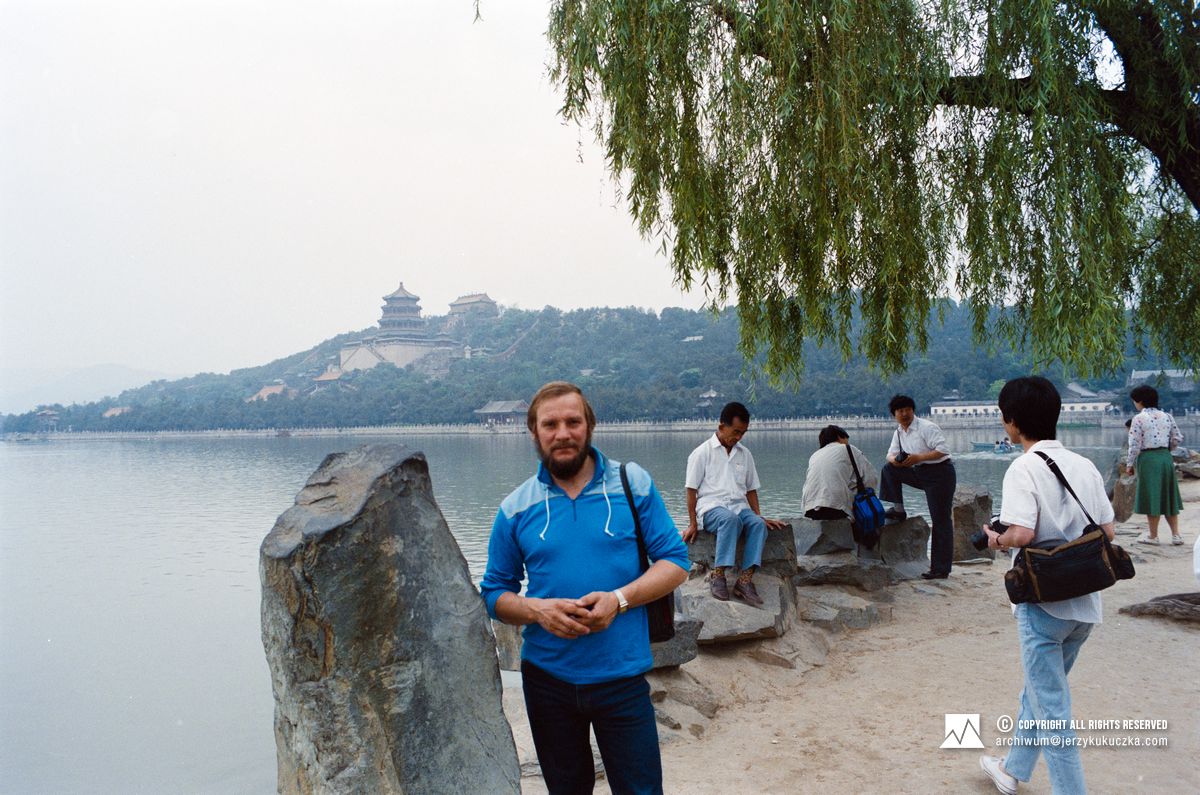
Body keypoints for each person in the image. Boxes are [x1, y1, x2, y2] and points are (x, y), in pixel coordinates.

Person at [479, 382, 689, 795]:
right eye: (550, 424)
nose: (562, 433)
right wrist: (538, 611)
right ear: (534, 432)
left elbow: (675, 562)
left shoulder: (634, 485)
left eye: (573, 422)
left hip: (623, 676)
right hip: (547, 679)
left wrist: (619, 599)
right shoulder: (515, 507)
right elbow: (494, 593)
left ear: (589, 426)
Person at [977, 376, 1116, 795]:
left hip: (1043, 606)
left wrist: (994, 539)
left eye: (1004, 416)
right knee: (1041, 693)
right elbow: (1107, 531)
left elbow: (1020, 533)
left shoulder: (1022, 468)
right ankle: (1012, 768)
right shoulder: (1085, 466)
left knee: (1052, 707)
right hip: (1084, 605)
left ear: (1013, 422)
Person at [682, 401, 788, 605]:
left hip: (740, 507)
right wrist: (693, 523)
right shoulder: (701, 453)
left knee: (757, 524)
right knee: (730, 520)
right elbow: (691, 491)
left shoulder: (745, 454)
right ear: (722, 426)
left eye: (743, 433)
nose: (738, 437)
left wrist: (758, 515)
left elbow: (750, 489)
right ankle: (718, 574)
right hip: (712, 509)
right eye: (736, 431)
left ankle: (744, 580)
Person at [878, 395, 957, 579]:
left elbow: (943, 450)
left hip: (940, 474)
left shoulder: (927, 427)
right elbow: (890, 454)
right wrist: (896, 461)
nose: (904, 414)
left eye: (907, 409)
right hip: (919, 472)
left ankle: (940, 568)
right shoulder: (898, 432)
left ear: (913, 410)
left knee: (940, 520)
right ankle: (898, 510)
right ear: (894, 414)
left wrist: (918, 457)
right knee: (889, 469)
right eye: (900, 411)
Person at [1125, 384, 1184, 545]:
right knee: (1168, 495)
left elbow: (1134, 445)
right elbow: (1177, 437)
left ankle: (1153, 536)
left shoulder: (1138, 419)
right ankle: (1176, 535)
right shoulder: (1167, 416)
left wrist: (1129, 464)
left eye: (1134, 401)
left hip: (1148, 459)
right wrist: (1167, 450)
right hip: (1165, 457)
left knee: (1152, 496)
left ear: (1140, 401)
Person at [801, 424, 876, 525]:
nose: (847, 442)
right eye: (846, 439)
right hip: (836, 508)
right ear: (840, 437)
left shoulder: (815, 455)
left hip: (809, 508)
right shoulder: (848, 449)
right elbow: (871, 478)